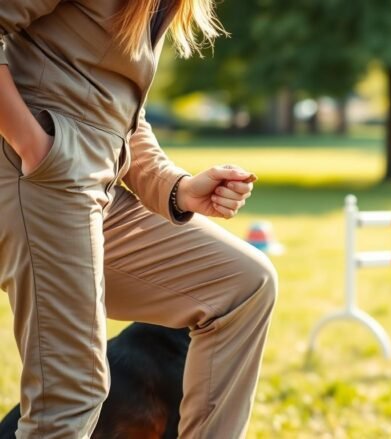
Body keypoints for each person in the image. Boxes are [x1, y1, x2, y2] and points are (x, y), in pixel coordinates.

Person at [0, 1, 277, 437]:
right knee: (73, 394)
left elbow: (120, 112)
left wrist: (177, 186)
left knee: (243, 284)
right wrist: (34, 145)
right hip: (33, 178)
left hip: (90, 187)